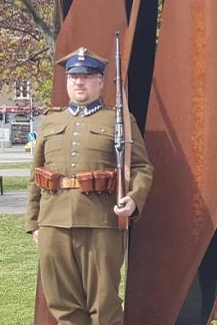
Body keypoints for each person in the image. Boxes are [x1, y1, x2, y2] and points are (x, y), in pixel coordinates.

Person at [27, 47, 154, 324]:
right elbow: (36, 175)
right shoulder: (51, 120)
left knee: (104, 305)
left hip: (100, 223)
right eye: (74, 77)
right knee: (63, 304)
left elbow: (142, 167)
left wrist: (133, 199)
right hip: (53, 223)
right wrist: (34, 222)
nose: (79, 82)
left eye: (87, 77)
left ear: (100, 82)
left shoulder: (119, 120)